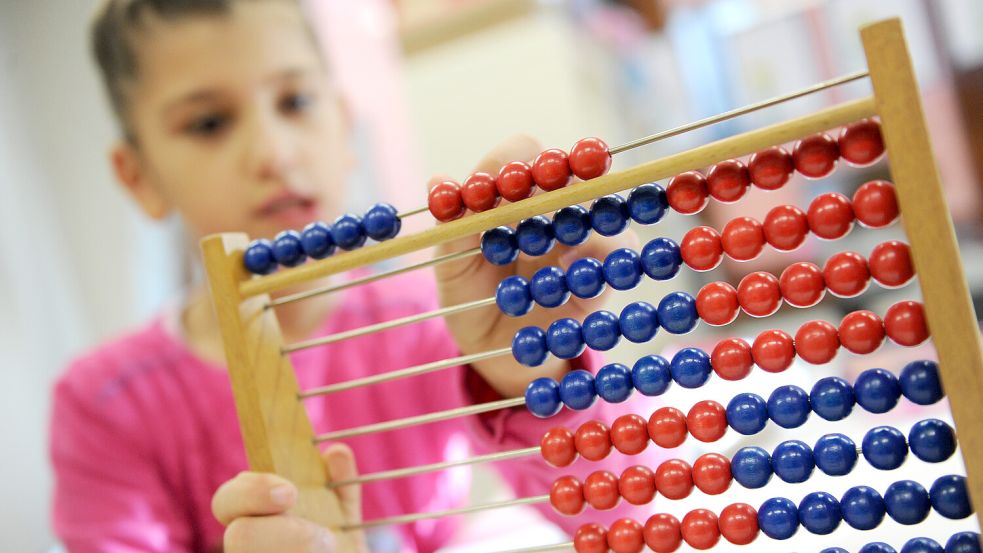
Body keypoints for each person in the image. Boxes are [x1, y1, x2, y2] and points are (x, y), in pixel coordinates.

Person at [51, 1, 665, 551]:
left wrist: (537, 376)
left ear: (344, 127)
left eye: (295, 102)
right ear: (139, 178)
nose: (274, 152)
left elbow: (627, 519)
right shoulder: (105, 402)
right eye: (209, 123)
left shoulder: (432, 325)